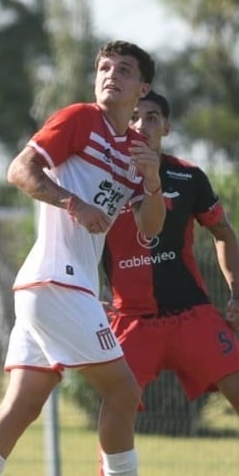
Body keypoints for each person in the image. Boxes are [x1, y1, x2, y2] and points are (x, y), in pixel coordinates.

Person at [0, 41, 166, 476]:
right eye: (104, 67)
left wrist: (152, 181)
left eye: (124, 70)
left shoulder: (136, 150)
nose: (111, 75)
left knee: (22, 404)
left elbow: (150, 229)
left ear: (143, 88)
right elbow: (19, 170)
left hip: (54, 288)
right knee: (123, 392)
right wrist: (74, 203)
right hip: (57, 282)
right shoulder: (80, 119)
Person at [102, 90, 239, 414]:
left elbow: (223, 232)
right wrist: (89, 295)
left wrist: (237, 291)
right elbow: (75, 238)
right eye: (133, 117)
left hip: (191, 314)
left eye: (151, 118)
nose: (141, 125)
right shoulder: (100, 176)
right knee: (116, 409)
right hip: (130, 318)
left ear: (166, 127)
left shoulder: (188, 177)